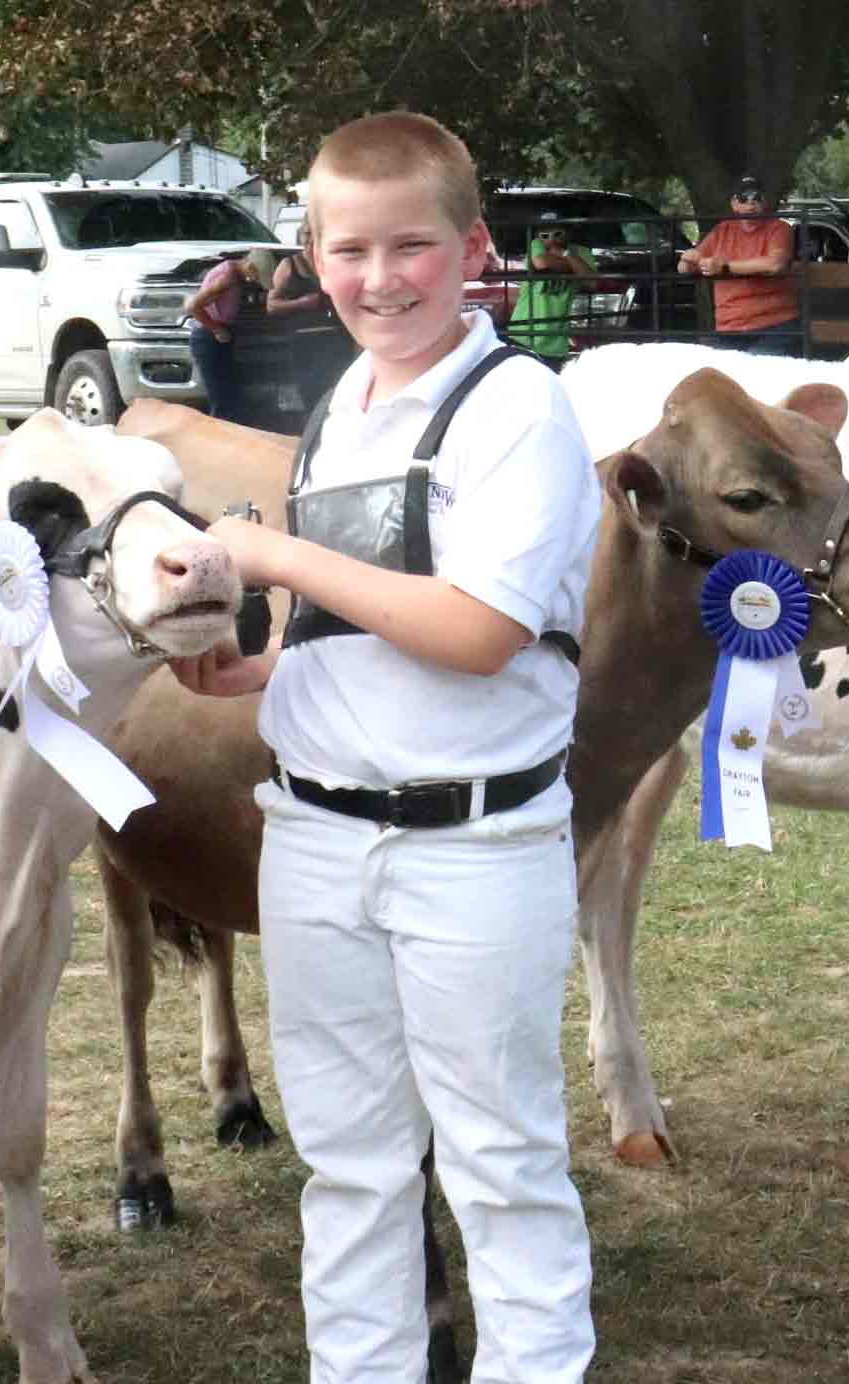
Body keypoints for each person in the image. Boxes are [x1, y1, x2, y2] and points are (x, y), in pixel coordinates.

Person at [168, 110, 599, 1381]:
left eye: (411, 246)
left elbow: (475, 630)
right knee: (349, 1160)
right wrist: (260, 659)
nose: (378, 278)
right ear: (308, 251)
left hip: (471, 847)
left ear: (475, 250)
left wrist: (269, 553)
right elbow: (349, 604)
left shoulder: (518, 406)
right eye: (347, 249)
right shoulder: (342, 402)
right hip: (313, 832)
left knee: (500, 1160)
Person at [677, 174, 800, 354]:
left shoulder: (779, 228)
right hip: (728, 328)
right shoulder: (722, 230)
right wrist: (687, 261)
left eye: (756, 198)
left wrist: (725, 267)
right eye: (743, 198)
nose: (750, 204)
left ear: (764, 202)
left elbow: (775, 264)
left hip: (774, 326)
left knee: (755, 372)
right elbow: (686, 267)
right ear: (734, 204)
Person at [187, 247, 277, 423]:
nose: (253, 280)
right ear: (250, 266)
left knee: (228, 395)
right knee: (221, 398)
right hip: (209, 337)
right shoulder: (227, 277)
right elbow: (192, 306)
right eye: (256, 276)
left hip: (219, 334)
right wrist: (216, 329)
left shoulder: (232, 274)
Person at [509, 224, 596, 366]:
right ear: (538, 236)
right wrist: (575, 264)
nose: (551, 240)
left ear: (568, 232)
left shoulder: (581, 251)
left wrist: (565, 254)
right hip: (523, 336)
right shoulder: (537, 245)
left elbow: (591, 282)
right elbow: (541, 262)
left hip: (555, 344)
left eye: (558, 234)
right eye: (545, 235)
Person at [266, 222, 327, 316]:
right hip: (297, 327)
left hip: (331, 326)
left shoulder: (331, 263)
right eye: (307, 233)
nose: (311, 239)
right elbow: (271, 306)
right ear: (299, 237)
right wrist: (300, 303)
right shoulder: (288, 265)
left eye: (316, 234)